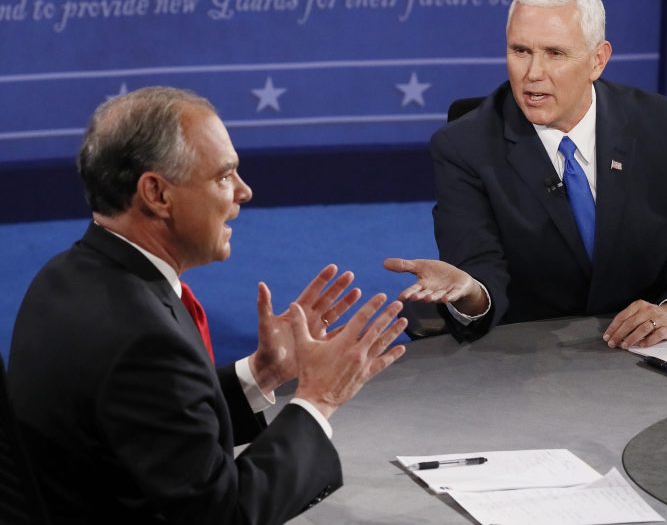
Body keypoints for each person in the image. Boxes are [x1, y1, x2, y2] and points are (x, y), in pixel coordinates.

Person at [7, 87, 407, 525]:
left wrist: (263, 373)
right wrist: (319, 397)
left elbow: (156, 430)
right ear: (157, 193)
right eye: (223, 176)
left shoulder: (64, 277)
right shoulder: (143, 337)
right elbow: (225, 514)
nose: (244, 191)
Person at [386, 0, 667, 348]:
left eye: (554, 53)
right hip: (526, 359)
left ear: (598, 60)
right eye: (520, 51)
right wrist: (469, 291)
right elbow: (481, 274)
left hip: (647, 351)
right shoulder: (465, 146)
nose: (532, 74)